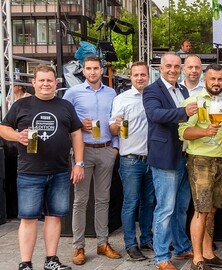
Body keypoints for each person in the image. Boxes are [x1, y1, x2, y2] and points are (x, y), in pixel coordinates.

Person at [0, 64, 84, 270]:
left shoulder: (65, 106)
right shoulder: (21, 105)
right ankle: (25, 263)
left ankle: (51, 261)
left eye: (50, 80)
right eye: (42, 80)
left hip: (60, 171)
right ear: (34, 82)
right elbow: (3, 128)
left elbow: (76, 135)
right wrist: (17, 136)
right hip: (30, 172)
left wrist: (79, 164)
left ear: (56, 82)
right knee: (28, 219)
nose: (46, 84)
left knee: (54, 217)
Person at [179, 63, 222, 270]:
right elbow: (183, 132)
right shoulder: (193, 101)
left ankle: (208, 253)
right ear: (205, 79)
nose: (216, 83)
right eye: (212, 79)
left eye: (220, 79)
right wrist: (205, 132)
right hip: (201, 160)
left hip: (221, 160)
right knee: (200, 211)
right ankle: (197, 259)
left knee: (211, 211)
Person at [63, 55, 121, 265]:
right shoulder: (73, 92)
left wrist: (115, 147)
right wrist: (79, 123)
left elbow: (116, 119)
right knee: (80, 200)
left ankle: (102, 242)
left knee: (103, 199)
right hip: (83, 151)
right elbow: (64, 119)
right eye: (88, 69)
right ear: (84, 71)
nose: (92, 72)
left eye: (96, 68)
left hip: (106, 149)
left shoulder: (112, 93)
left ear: (102, 70)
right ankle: (78, 247)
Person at [143, 52, 197, 270]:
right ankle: (161, 257)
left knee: (181, 207)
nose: (173, 70)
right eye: (169, 66)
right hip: (164, 156)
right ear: (160, 67)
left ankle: (182, 247)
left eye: (177, 66)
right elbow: (155, 114)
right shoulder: (151, 90)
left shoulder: (182, 89)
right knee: (165, 209)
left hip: (183, 155)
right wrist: (183, 112)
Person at [109, 62, 155, 261]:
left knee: (149, 203)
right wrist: (115, 125)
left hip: (153, 159)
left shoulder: (155, 96)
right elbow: (111, 128)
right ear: (131, 76)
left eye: (143, 74)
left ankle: (146, 238)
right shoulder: (122, 99)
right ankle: (130, 244)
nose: (140, 78)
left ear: (148, 76)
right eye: (136, 75)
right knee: (130, 204)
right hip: (130, 160)